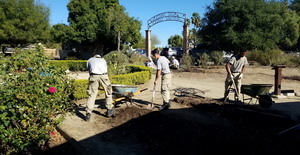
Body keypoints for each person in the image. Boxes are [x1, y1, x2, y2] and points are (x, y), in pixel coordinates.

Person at [85, 54, 115, 121]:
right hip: (104, 76)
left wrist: (93, 79)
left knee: (92, 95)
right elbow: (106, 70)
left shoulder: (90, 60)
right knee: (108, 92)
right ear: (100, 57)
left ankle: (88, 113)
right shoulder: (103, 60)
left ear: (94, 56)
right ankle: (109, 109)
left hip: (93, 76)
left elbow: (89, 71)